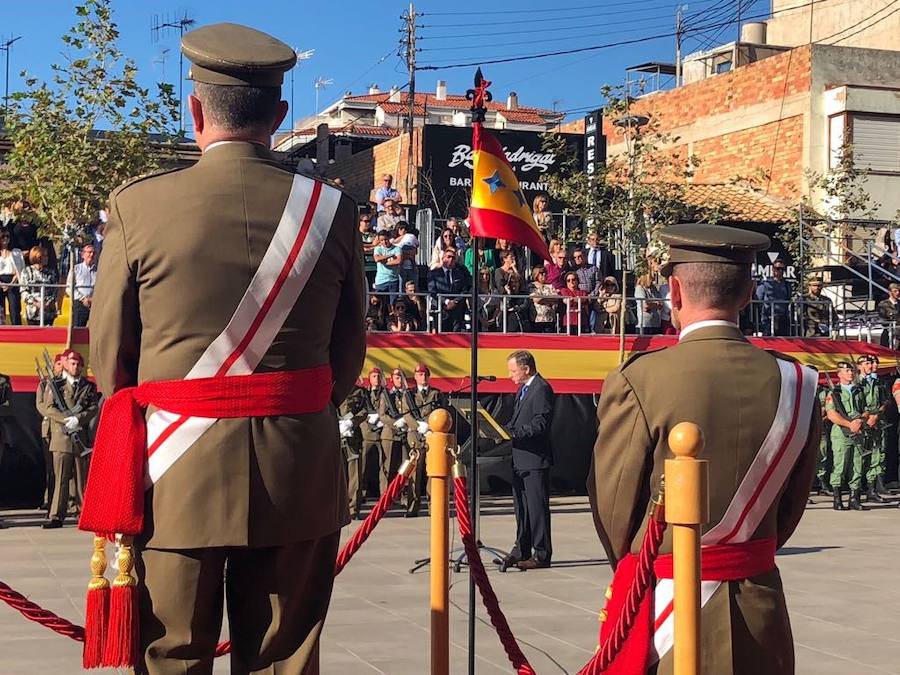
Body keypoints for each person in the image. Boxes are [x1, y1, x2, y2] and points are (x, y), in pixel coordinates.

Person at [83, 23, 367, 674]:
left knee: (174, 657)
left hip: (173, 473)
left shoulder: (137, 207)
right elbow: (347, 357)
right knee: (282, 662)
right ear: (279, 116)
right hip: (297, 467)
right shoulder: (331, 211)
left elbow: (110, 361)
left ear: (194, 110)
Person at [590, 223, 819, 674]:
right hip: (759, 605)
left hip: (666, 610)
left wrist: (642, 568)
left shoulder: (640, 378)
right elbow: (791, 507)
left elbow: (613, 509)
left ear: (674, 291)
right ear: (750, 293)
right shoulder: (798, 380)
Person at [503, 350, 554, 570]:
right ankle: (521, 549)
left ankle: (541, 553)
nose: (510, 375)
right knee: (521, 507)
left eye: (513, 371)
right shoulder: (522, 390)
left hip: (534, 459)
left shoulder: (541, 389)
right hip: (519, 458)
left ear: (526, 368)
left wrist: (516, 432)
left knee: (536, 508)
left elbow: (541, 423)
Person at [39, 349, 98, 528]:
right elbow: (47, 408)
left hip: (79, 436)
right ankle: (56, 515)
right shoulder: (55, 384)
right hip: (61, 437)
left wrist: (78, 419)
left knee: (81, 480)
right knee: (61, 478)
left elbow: (93, 407)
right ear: (65, 364)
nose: (76, 367)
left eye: (79, 364)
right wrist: (65, 419)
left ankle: (84, 514)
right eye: (72, 363)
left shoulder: (88, 387)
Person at [399, 364, 445, 516]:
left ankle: (434, 507)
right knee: (415, 474)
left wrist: (431, 426)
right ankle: (413, 507)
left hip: (432, 437)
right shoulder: (409, 395)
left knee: (432, 473)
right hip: (416, 436)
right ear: (415, 376)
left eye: (425, 374)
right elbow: (406, 414)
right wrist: (418, 426)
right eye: (419, 374)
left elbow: (443, 412)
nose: (423, 377)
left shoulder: (436, 394)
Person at [825, 361, 869, 511]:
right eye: (847, 371)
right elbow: (831, 414)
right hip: (841, 433)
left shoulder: (859, 390)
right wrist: (849, 424)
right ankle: (837, 499)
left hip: (858, 431)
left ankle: (854, 498)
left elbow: (865, 410)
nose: (850, 373)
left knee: (857, 465)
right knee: (840, 466)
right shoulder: (834, 393)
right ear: (839, 374)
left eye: (852, 371)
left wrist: (860, 420)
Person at [35, 353, 65, 511]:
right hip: (49, 429)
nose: (61, 367)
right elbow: (41, 406)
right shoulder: (44, 384)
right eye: (58, 364)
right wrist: (55, 415)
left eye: (62, 364)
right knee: (51, 469)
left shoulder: (65, 384)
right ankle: (50, 499)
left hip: (64, 430)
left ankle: (69, 501)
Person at [859, 355, 889, 501]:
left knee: (876, 455)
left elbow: (884, 401)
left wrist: (877, 415)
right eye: (866, 363)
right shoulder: (856, 383)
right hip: (862, 424)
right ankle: (856, 491)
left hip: (876, 422)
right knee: (859, 458)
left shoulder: (877, 382)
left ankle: (872, 489)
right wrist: (866, 418)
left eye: (871, 363)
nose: (870, 366)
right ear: (860, 366)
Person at [339, 380, 368, 520]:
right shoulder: (334, 388)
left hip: (353, 437)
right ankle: (339, 508)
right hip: (336, 435)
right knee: (338, 474)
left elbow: (364, 411)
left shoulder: (359, 391)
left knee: (354, 473)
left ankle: (353, 508)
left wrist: (352, 422)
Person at [379, 368, 408, 506]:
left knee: (405, 468)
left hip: (405, 434)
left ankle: (403, 496)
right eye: (397, 377)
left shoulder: (408, 395)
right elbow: (382, 415)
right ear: (392, 379)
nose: (400, 380)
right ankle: (386, 499)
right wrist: (396, 424)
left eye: (401, 377)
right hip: (390, 435)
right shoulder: (386, 395)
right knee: (387, 468)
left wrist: (406, 422)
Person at [359, 368, 388, 507]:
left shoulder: (385, 394)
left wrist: (381, 419)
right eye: (374, 376)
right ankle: (361, 494)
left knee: (384, 467)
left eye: (378, 376)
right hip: (367, 433)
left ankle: (384, 496)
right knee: (362, 466)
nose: (376, 378)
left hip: (382, 433)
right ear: (369, 378)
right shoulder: (364, 393)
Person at [426, 247, 471, 332]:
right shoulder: (434, 273)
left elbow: (464, 290)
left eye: (453, 258)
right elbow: (432, 291)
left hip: (456, 310)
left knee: (456, 335)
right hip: (441, 308)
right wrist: (446, 302)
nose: (451, 259)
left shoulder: (460, 274)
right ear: (443, 259)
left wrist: (455, 302)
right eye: (448, 257)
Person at [756, 258, 792, 336]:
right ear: (773, 269)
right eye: (778, 268)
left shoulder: (787, 285)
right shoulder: (765, 283)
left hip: (783, 318)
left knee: (785, 341)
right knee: (768, 341)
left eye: (783, 269)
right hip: (768, 317)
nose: (780, 271)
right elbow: (759, 299)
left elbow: (788, 298)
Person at [67, 243, 98, 328]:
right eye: (89, 252)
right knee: (78, 329)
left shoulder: (98, 270)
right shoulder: (75, 269)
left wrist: (93, 299)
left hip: (95, 303)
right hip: (80, 303)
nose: (91, 255)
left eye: (93, 253)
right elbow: (69, 288)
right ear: (83, 254)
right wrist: (83, 298)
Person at [0, 228, 24, 324]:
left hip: (13, 281)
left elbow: (21, 269)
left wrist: (12, 282)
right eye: (2, 236)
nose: (5, 239)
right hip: (0, 281)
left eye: (7, 236)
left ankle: (17, 331)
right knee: (0, 310)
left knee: (15, 309)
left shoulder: (16, 252)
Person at [373, 230, 402, 304]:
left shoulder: (397, 249)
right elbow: (377, 259)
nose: (384, 242)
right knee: (378, 303)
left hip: (393, 280)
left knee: (393, 303)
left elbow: (398, 261)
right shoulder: (378, 249)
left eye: (385, 239)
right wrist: (391, 255)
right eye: (381, 240)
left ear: (389, 238)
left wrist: (385, 262)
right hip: (381, 280)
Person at [391, 221, 419, 292]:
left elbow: (415, 250)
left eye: (405, 229)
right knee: (402, 287)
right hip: (400, 267)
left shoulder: (410, 237)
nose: (403, 230)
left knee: (414, 287)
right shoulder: (392, 240)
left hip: (411, 266)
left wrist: (405, 254)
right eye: (401, 229)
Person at [528, 266, 558, 333]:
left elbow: (556, 298)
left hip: (550, 318)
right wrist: (549, 299)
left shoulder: (550, 286)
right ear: (536, 274)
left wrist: (543, 298)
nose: (544, 274)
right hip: (537, 319)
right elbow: (536, 299)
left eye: (545, 273)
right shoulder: (532, 286)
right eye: (542, 273)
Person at [877, 283, 900, 349]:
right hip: (889, 332)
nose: (897, 293)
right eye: (895, 291)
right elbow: (883, 319)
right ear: (890, 292)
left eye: (899, 291)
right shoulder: (883, 304)